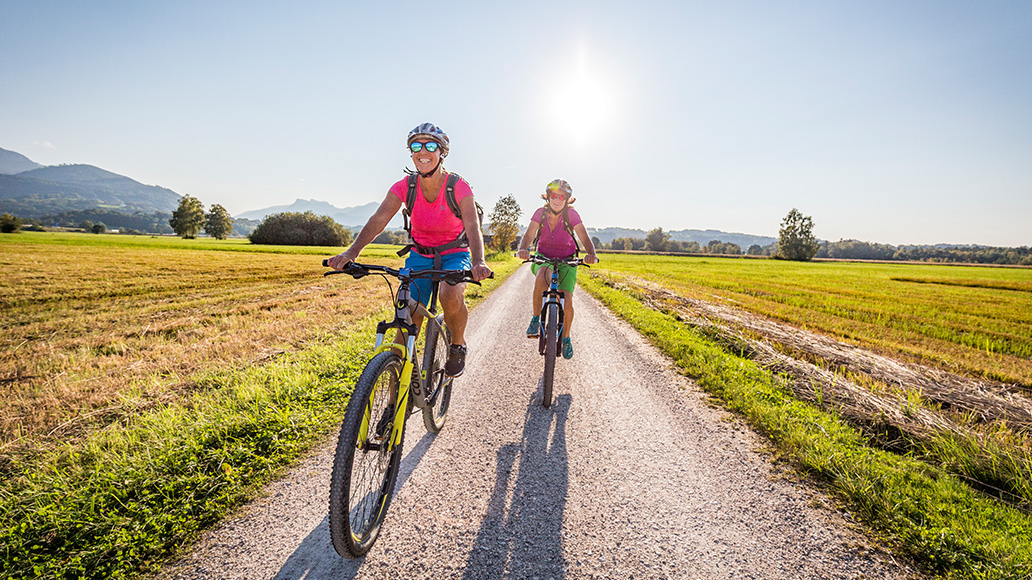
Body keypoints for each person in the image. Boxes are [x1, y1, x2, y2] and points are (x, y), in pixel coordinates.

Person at [328, 123, 492, 377]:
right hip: (420, 255)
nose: (422, 151)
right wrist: (351, 253)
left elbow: (472, 224)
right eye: (416, 146)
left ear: (442, 153)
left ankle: (457, 345)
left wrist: (479, 261)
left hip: (454, 254)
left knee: (449, 295)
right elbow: (379, 219)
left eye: (430, 146)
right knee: (407, 317)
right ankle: (394, 407)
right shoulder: (406, 186)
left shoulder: (457, 186)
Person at [515, 179, 598, 359]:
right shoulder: (540, 213)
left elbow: (583, 236)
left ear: (567, 199)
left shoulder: (572, 215)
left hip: (567, 261)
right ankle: (536, 318)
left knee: (566, 299)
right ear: (548, 197)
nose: (557, 199)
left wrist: (591, 253)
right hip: (543, 257)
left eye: (562, 196)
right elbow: (529, 234)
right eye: (554, 195)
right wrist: (523, 249)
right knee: (543, 275)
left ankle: (566, 337)